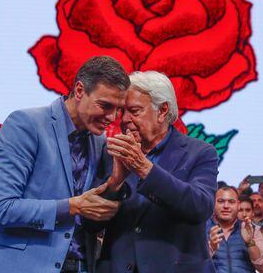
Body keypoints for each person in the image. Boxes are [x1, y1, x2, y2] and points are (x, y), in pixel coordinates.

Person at [0, 56, 130, 273]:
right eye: (105, 105)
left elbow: (91, 217)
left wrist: (116, 182)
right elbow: (1, 208)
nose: (112, 117)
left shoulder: (100, 143)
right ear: (79, 91)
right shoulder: (26, 124)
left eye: (118, 109)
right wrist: (71, 206)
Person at [93, 71, 219, 272]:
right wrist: (114, 184)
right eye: (122, 111)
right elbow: (90, 224)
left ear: (162, 111)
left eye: (134, 111)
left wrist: (144, 168)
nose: (124, 119)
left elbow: (200, 207)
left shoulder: (200, 152)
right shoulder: (112, 152)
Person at [208, 186, 263, 273]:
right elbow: (190, 267)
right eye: (221, 201)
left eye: (231, 202)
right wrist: (210, 248)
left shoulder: (251, 229)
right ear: (213, 203)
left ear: (238, 205)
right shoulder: (199, 229)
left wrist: (250, 243)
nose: (226, 206)